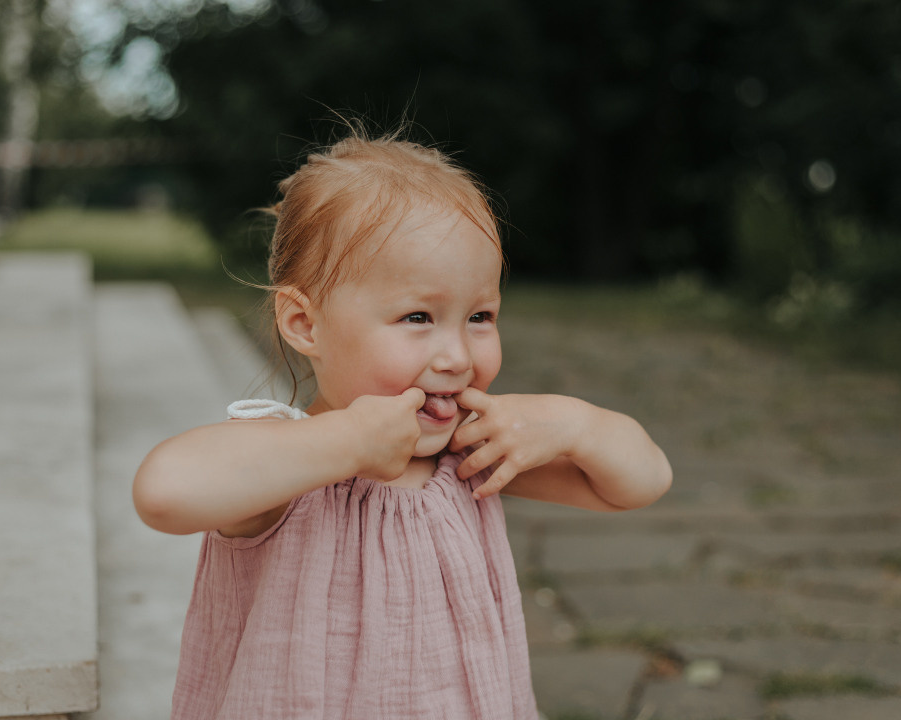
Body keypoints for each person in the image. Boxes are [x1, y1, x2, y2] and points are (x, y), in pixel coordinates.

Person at [133, 127, 672, 720]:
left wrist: (577, 424)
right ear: (305, 325)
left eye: (480, 316)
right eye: (418, 317)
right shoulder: (286, 464)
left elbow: (640, 483)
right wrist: (346, 443)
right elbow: (164, 492)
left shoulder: (468, 453)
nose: (457, 356)